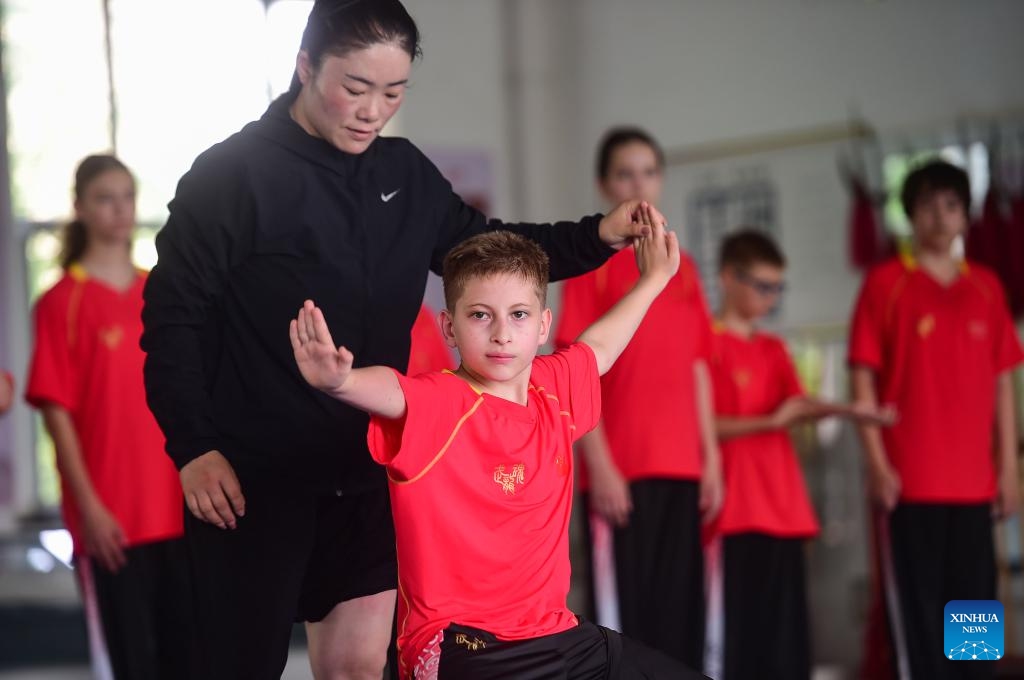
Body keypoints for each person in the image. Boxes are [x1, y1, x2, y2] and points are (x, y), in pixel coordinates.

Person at [140, 2, 655, 678]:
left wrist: (598, 236)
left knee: (358, 669)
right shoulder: (230, 176)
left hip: (365, 471)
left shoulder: (404, 175)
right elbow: (171, 319)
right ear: (304, 67)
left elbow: (494, 255)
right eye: (355, 88)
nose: (372, 110)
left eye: (394, 92)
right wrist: (194, 448)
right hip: (249, 478)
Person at [292, 220, 707, 679]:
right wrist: (342, 382)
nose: (502, 334)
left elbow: (601, 346)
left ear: (544, 325)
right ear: (449, 327)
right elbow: (394, 391)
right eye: (480, 315)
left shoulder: (555, 389)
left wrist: (654, 278)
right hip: (463, 648)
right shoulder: (442, 401)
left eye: (519, 315)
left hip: (558, 638)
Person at [849, 159, 1023, 680]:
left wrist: (1010, 468)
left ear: (966, 217)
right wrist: (878, 465)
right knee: (921, 623)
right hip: (909, 485)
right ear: (910, 215)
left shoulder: (988, 288)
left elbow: (1003, 386)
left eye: (951, 205)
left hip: (974, 486)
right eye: (927, 205)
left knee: (974, 618)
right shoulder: (885, 284)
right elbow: (862, 380)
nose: (940, 217)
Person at [554, 126, 721, 666]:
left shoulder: (682, 266)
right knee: (626, 624)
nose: (639, 184)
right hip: (621, 473)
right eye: (626, 173)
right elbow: (576, 372)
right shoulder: (590, 268)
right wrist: (598, 464)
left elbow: (697, 367)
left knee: (683, 615)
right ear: (605, 185)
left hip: (682, 469)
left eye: (649, 171)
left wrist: (711, 457)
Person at [24, 155, 192, 680]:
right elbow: (57, 417)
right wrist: (89, 509)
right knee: (128, 664)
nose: (119, 210)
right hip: (112, 520)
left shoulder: (160, 292)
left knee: (186, 659)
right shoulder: (61, 302)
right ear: (79, 208)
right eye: (104, 198)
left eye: (127, 196)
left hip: (177, 508)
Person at [703, 229, 893, 680]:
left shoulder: (773, 348)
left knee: (787, 640)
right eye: (763, 286)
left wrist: (852, 409)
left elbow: (800, 406)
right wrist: (768, 423)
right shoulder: (705, 344)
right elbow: (700, 425)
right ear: (729, 277)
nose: (772, 297)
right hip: (734, 511)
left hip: (783, 510)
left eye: (777, 287)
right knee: (742, 638)